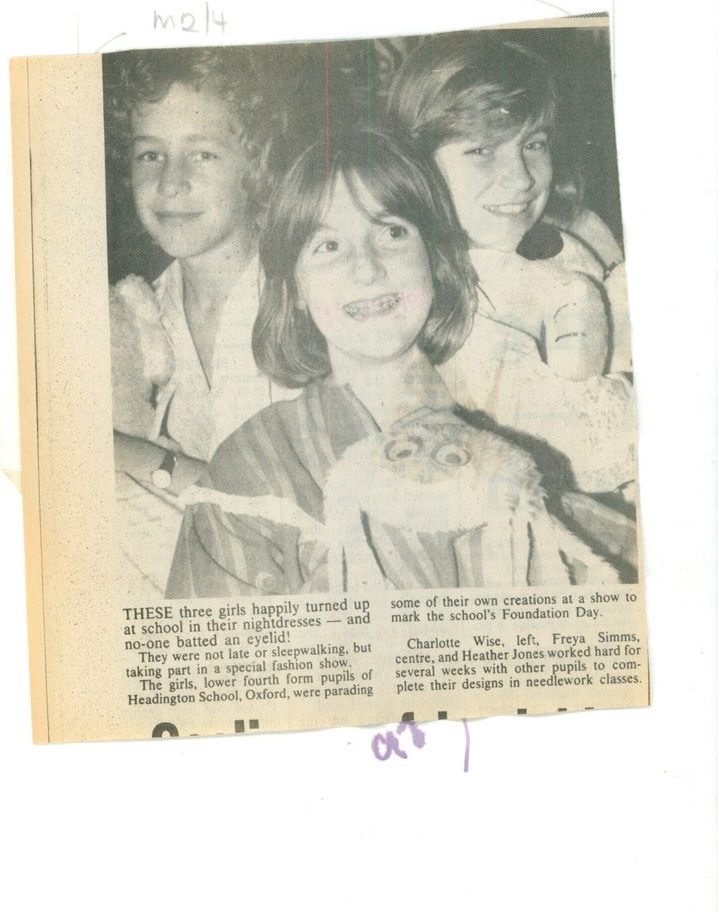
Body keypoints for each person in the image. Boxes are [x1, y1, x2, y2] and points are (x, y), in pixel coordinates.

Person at [166, 131, 618, 597]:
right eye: (328, 246)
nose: (367, 268)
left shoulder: (527, 430)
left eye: (392, 233)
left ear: (435, 259)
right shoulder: (248, 468)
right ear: (295, 289)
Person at [387, 34, 636, 495]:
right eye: (482, 151)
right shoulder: (418, 287)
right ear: (418, 163)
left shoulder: (581, 234)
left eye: (534, 144)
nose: (521, 178)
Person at [105, 47, 296, 497]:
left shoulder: (313, 298)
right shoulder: (133, 317)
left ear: (258, 164)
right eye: (150, 155)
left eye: (203, 155)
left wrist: (134, 455)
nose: (170, 183)